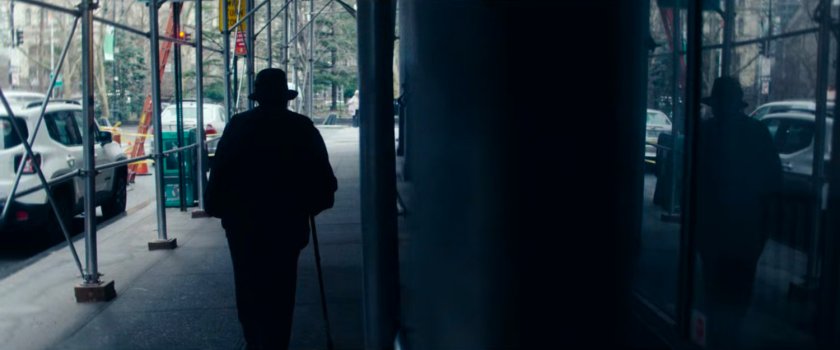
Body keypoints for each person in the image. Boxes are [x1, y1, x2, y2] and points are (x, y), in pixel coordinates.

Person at [204, 68, 338, 350]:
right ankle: (277, 342)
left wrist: (217, 206)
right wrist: (310, 204)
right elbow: (324, 181)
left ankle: (255, 341)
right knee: (281, 287)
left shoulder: (238, 126)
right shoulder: (302, 127)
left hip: (243, 224)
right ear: (286, 99)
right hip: (286, 223)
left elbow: (220, 172)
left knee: (248, 284)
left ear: (258, 98)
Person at [694, 76, 782, 349]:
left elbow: (694, 183)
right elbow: (773, 182)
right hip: (746, 230)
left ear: (717, 105)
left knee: (714, 290)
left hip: (714, 230)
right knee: (739, 291)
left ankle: (717, 337)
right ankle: (730, 336)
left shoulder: (706, 133)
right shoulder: (758, 133)